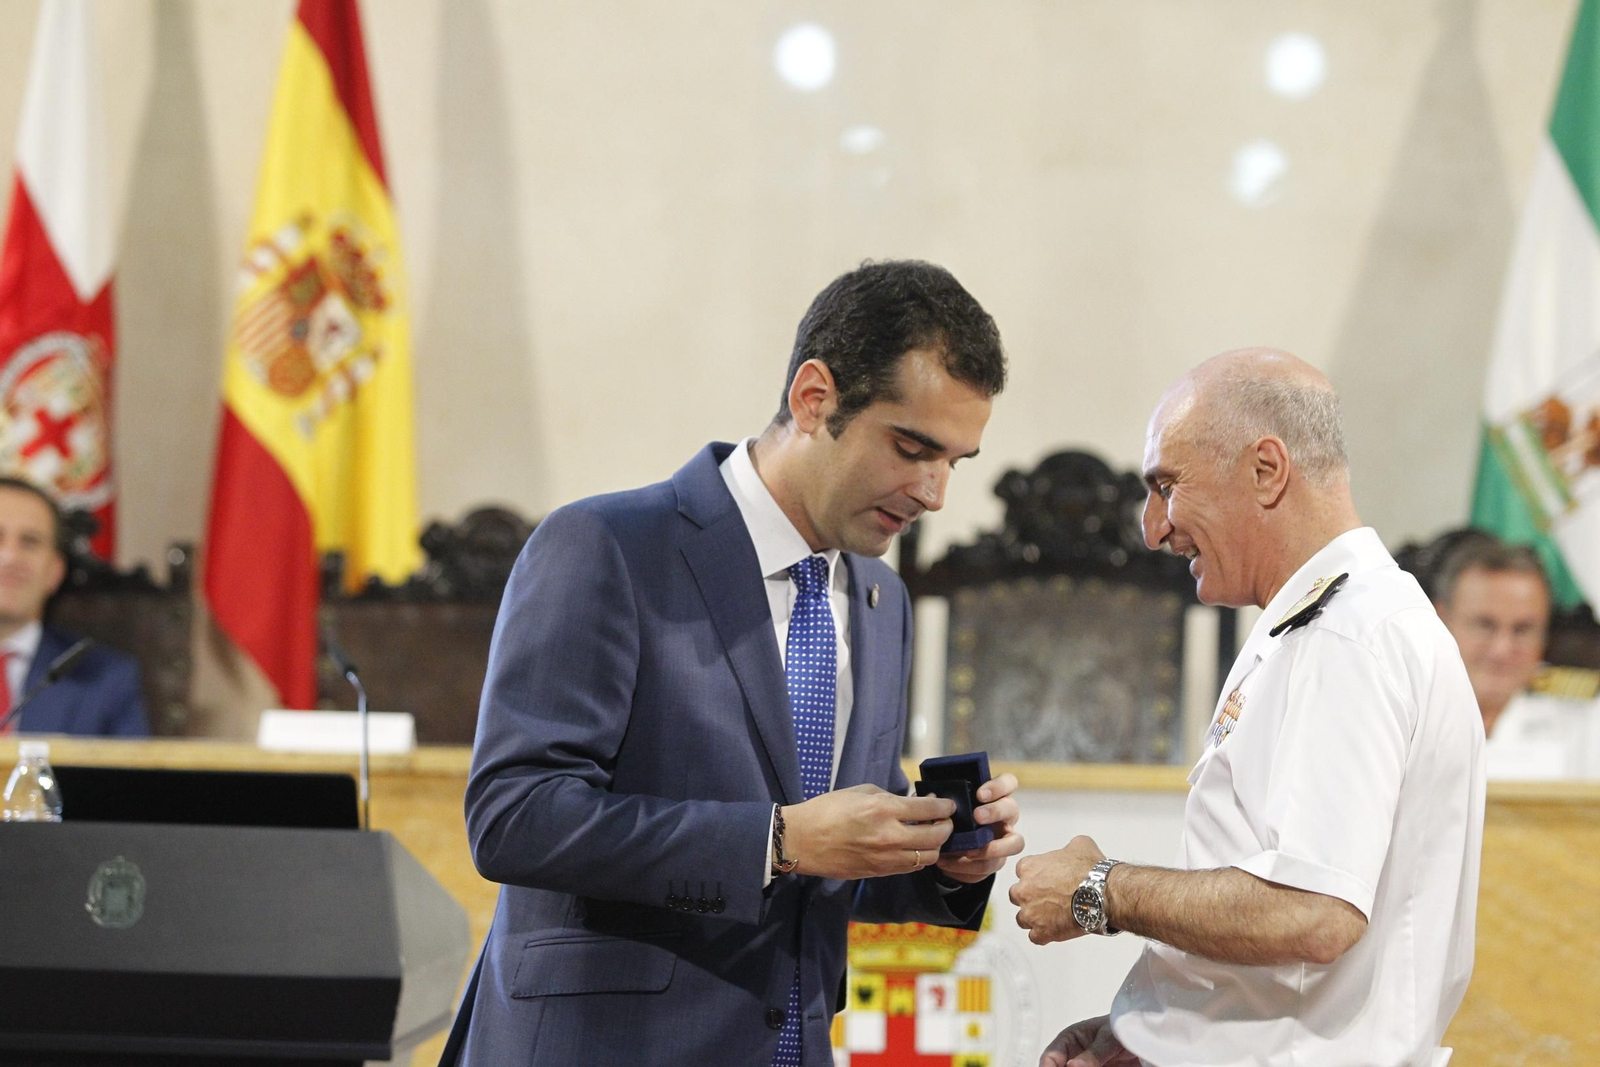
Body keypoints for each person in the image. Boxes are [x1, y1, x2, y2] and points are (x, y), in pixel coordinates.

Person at [440, 260, 1024, 1067]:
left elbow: (832, 859)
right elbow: (514, 815)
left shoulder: (881, 600)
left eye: (955, 460)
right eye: (912, 446)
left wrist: (941, 861)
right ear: (814, 398)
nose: (933, 493)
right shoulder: (608, 547)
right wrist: (776, 841)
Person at [1010, 349, 1484, 1067]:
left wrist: (1098, 889)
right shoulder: (1322, 624)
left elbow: (1313, 913)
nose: (1152, 527)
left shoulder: (1350, 636)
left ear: (1267, 469)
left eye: (1167, 485)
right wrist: (1145, 1029)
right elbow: (1288, 957)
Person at [1431, 533, 1599, 778]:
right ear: (1440, 622)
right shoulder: (1403, 718)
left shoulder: (1584, 721)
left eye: (1522, 630)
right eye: (1485, 625)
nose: (1501, 650)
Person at [0, 476, 148, 737]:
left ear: (55, 572)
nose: (10, 557)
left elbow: (130, 778)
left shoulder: (106, 678)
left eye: (30, 542)